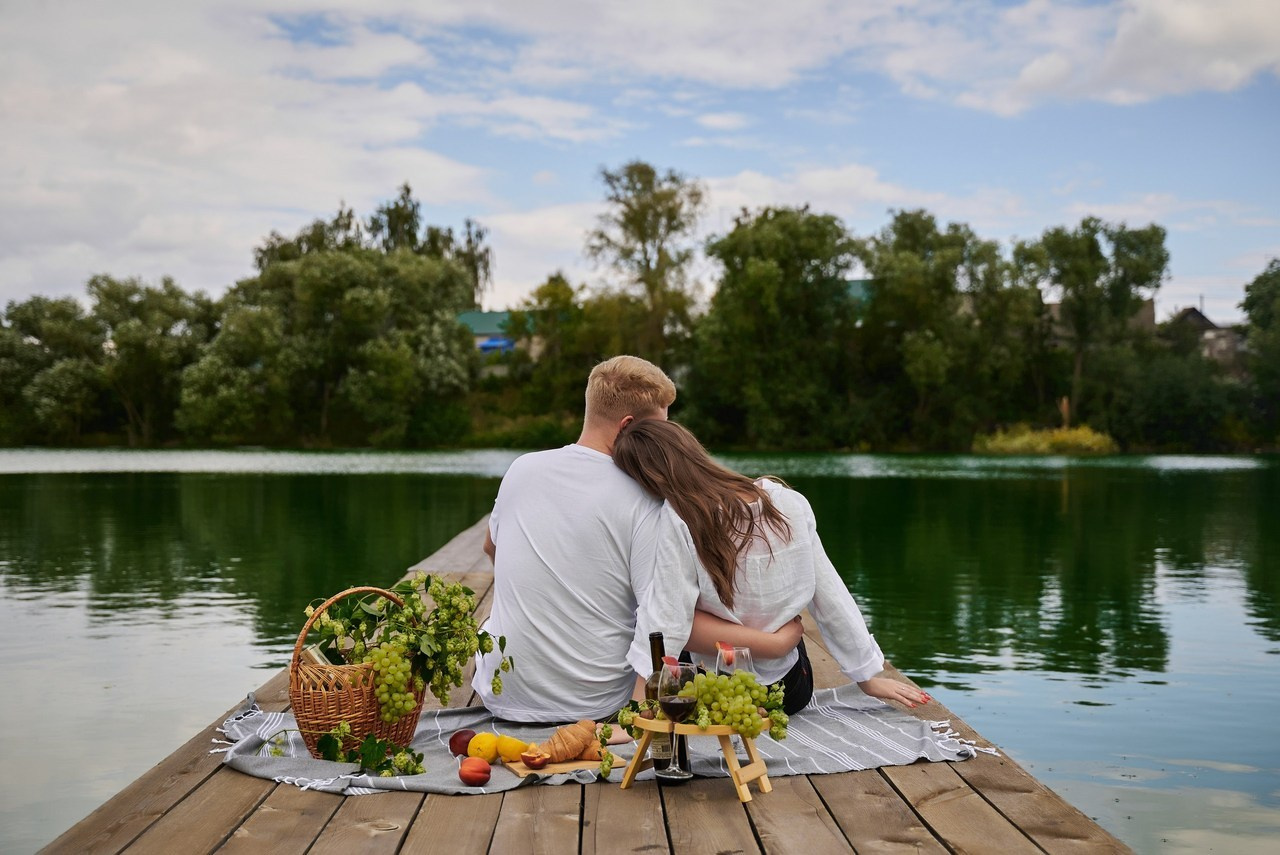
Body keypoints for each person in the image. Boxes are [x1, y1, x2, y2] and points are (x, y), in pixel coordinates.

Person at [472, 356, 801, 722]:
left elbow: (491, 548)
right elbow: (668, 620)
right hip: (599, 704)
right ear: (628, 427)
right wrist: (775, 643)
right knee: (700, 644)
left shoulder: (522, 468)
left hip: (502, 694)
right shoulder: (648, 497)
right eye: (661, 428)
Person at [614, 418, 931, 714]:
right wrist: (867, 675)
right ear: (693, 449)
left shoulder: (678, 519)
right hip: (788, 689)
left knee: (675, 611)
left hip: (717, 684)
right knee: (773, 617)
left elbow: (664, 619)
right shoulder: (787, 503)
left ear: (648, 481)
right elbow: (830, 595)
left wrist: (638, 711)